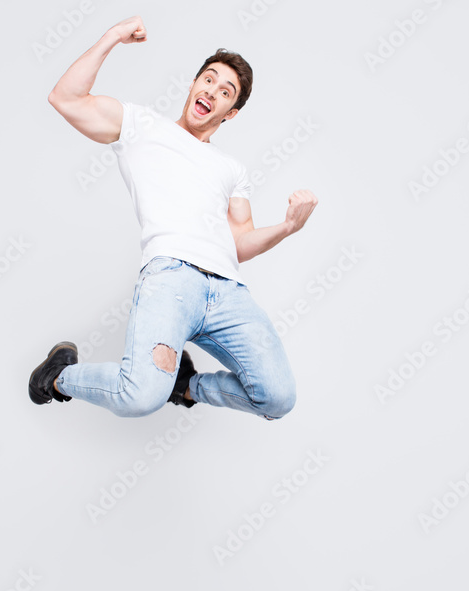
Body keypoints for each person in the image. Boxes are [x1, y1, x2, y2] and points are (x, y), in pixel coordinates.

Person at [30, 15, 318, 420]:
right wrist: (113, 37)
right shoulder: (141, 125)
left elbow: (241, 243)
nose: (212, 91)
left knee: (277, 397)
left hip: (228, 292)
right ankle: (61, 375)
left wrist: (289, 227)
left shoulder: (231, 168)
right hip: (171, 281)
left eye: (225, 91)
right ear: (194, 83)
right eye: (208, 79)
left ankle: (185, 387)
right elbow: (66, 97)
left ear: (230, 113)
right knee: (140, 396)